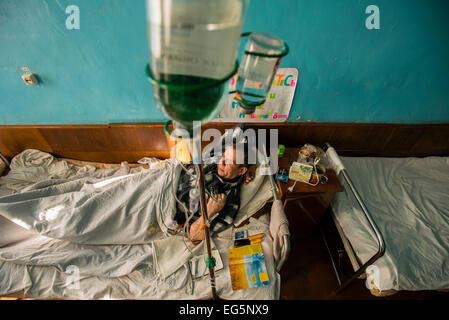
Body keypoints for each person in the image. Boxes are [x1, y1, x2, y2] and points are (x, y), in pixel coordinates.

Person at [174, 142, 256, 243]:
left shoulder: (229, 202)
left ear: (241, 170)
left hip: (168, 208)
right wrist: (253, 164)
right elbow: (243, 127)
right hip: (170, 179)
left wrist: (209, 211)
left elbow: (194, 235)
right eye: (223, 156)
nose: (221, 162)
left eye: (230, 161)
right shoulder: (215, 161)